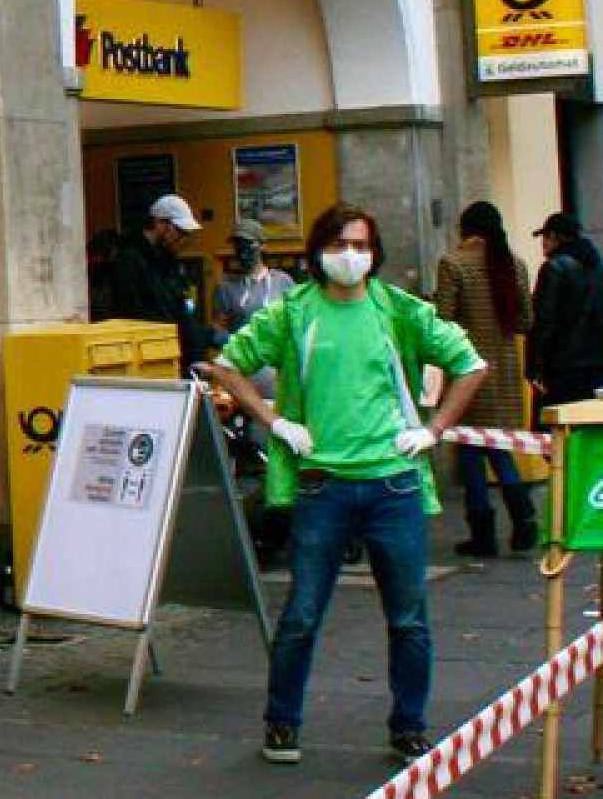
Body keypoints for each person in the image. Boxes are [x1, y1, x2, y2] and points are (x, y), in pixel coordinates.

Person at [199, 203, 487, 767]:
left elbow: (470, 364)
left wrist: (433, 432)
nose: (350, 256)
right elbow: (228, 364)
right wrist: (275, 422)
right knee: (301, 615)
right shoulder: (294, 312)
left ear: (374, 254)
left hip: (394, 484)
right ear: (318, 251)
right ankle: (281, 723)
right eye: (339, 245)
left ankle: (409, 727)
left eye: (361, 245)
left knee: (408, 619)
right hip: (320, 485)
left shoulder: (397, 310)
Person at [431, 202, 539, 557]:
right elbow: (525, 320)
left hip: (467, 370)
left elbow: (444, 321)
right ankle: (523, 517)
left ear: (465, 229)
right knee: (497, 446)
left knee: (470, 450)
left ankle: (483, 531)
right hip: (504, 372)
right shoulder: (514, 264)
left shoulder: (453, 264)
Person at [527, 211, 603, 413]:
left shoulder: (554, 268)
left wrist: (534, 367)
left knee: (558, 424)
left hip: (563, 370)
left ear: (554, 237)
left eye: (545, 238)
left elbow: (544, 322)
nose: (543, 244)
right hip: (601, 368)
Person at [102, 192, 211, 369]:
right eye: (180, 232)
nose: (183, 239)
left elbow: (179, 311)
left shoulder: (167, 260)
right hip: (149, 354)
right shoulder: (129, 260)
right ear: (160, 224)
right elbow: (137, 312)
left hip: (170, 353)